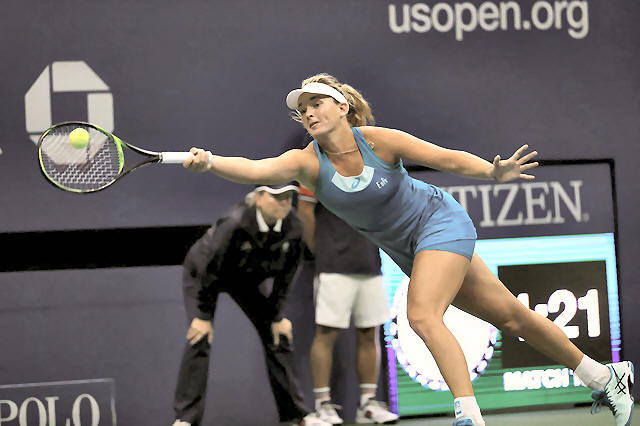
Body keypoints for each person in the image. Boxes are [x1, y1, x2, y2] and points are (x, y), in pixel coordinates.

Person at [182, 74, 635, 426]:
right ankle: (603, 376)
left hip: (440, 223)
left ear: (342, 107)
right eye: (302, 110)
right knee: (512, 316)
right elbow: (255, 169)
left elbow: (446, 158)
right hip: (408, 249)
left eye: (316, 103)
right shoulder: (305, 163)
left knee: (421, 315)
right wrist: (211, 162)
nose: (309, 113)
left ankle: (468, 416)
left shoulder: (380, 141)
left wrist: (492, 173)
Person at [172, 183, 331, 426]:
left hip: (246, 279)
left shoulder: (294, 227)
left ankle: (296, 416)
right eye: (277, 196)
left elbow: (285, 277)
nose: (284, 202)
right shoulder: (234, 223)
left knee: (277, 335)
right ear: (258, 198)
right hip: (205, 276)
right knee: (200, 337)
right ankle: (185, 419)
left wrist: (277, 317)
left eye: (288, 196)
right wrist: (202, 316)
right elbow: (207, 267)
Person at [297, 185, 399, 425]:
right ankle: (322, 405)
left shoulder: (373, 168)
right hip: (332, 264)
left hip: (369, 263)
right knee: (326, 333)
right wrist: (321, 250)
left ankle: (367, 404)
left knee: (369, 332)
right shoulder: (317, 166)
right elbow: (304, 211)